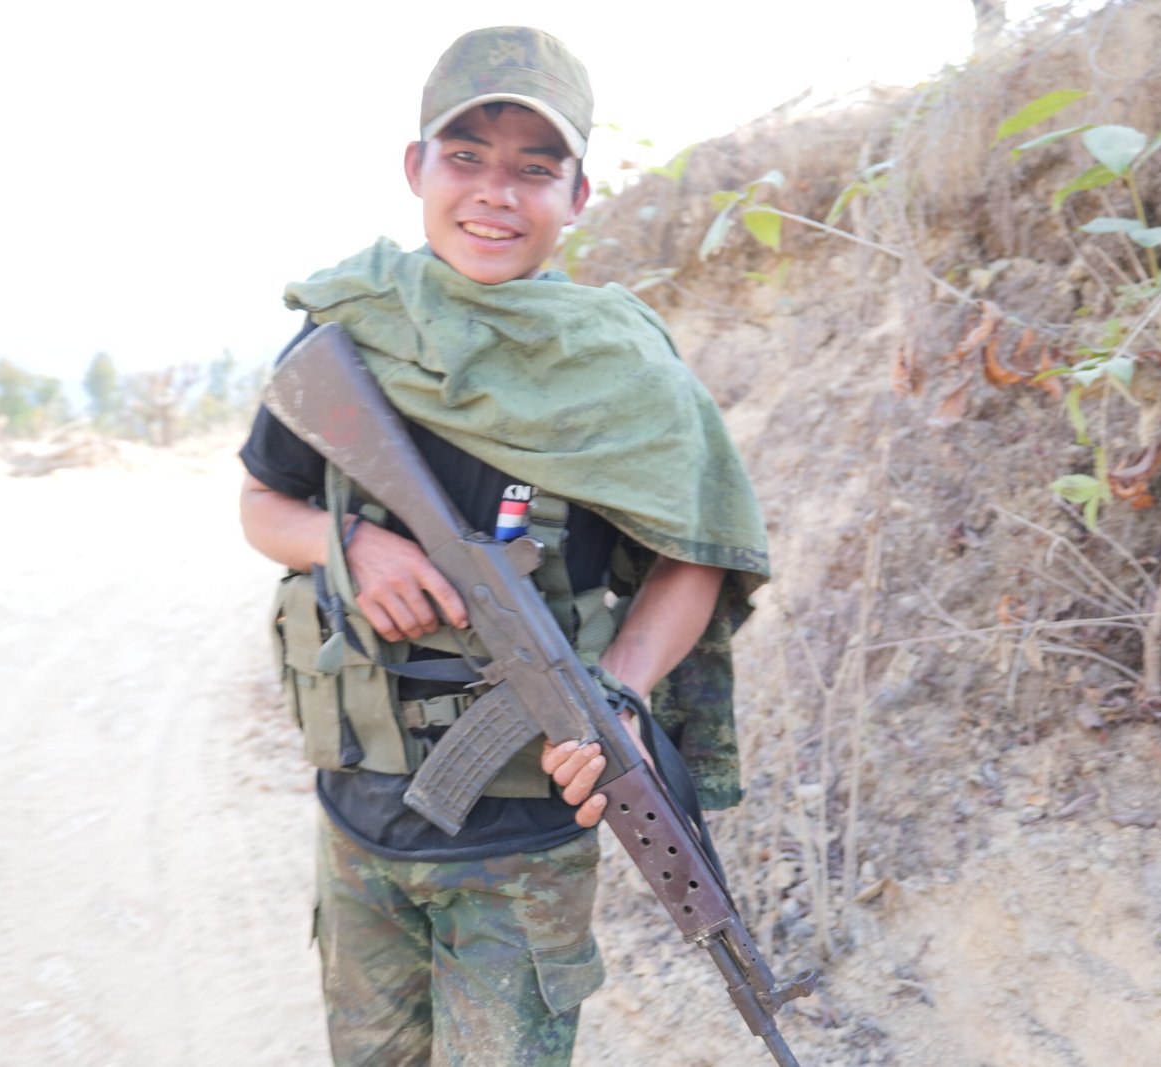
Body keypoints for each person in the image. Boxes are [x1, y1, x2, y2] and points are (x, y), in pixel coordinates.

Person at [238, 26, 770, 1066]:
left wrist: (621, 686)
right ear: (415, 168)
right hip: (359, 817)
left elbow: (697, 555)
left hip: (526, 840)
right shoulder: (352, 331)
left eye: (535, 168)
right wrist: (350, 545)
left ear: (578, 194)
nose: (495, 192)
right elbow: (263, 504)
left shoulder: (622, 371)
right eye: (466, 157)